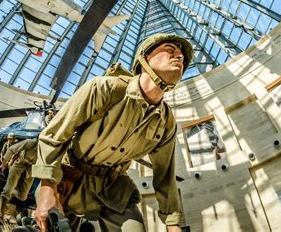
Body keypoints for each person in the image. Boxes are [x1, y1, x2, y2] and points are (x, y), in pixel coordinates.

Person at [32, 33, 193, 232]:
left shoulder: (166, 122)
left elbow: (165, 176)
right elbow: (54, 136)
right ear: (145, 58)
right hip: (68, 180)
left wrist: (173, 224)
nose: (179, 57)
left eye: (182, 58)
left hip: (112, 190)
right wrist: (48, 190)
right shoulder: (105, 88)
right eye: (170, 50)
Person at [0, 138, 38, 223]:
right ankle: (0, 213)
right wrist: (3, 165)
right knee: (8, 189)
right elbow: (12, 149)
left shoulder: (49, 151)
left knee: (22, 196)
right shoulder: (31, 143)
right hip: (19, 163)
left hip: (30, 170)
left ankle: (10, 192)